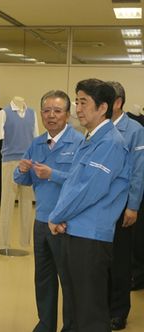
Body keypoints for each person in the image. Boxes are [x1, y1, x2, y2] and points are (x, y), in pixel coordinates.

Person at [48, 79, 130, 332]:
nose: (78, 108)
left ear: (102, 107)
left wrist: (56, 216)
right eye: (77, 101)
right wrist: (61, 216)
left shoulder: (110, 143)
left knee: (90, 312)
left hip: (91, 238)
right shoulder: (91, 139)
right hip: (75, 231)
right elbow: (74, 182)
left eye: (83, 102)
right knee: (74, 308)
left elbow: (89, 189)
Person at [14, 90, 84, 332]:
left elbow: (82, 183)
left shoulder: (78, 143)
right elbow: (21, 180)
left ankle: (71, 326)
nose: (51, 116)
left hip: (65, 224)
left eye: (57, 111)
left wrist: (53, 174)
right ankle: (45, 324)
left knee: (68, 279)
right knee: (43, 278)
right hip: (41, 221)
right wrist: (22, 170)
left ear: (67, 115)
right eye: (46, 111)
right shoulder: (36, 143)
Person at [106, 81, 144, 331]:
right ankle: (99, 305)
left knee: (120, 262)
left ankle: (118, 312)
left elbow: (138, 170)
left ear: (117, 102)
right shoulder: (96, 127)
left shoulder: (135, 130)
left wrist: (132, 205)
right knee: (100, 261)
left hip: (122, 207)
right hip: (98, 207)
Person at [0, 96, 39, 250]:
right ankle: (3, 242)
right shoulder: (4, 113)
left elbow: (36, 137)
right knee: (7, 203)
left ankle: (25, 242)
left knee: (27, 203)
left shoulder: (32, 113)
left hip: (28, 162)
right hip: (9, 162)